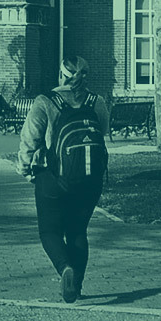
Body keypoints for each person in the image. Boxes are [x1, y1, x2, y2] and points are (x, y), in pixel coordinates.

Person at [18, 55, 109, 303]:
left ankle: (64, 269)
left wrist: (25, 168)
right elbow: (104, 131)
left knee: (50, 231)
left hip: (53, 177)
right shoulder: (96, 101)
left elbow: (30, 139)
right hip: (90, 179)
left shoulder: (46, 101)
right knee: (78, 230)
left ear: (61, 75)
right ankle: (76, 285)